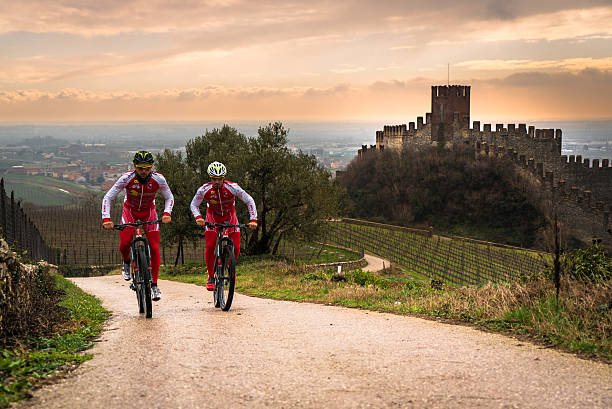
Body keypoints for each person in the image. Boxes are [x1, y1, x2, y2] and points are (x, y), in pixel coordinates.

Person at [101, 150, 174, 301]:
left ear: (151, 167)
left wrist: (167, 213)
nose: (144, 171)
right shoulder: (126, 178)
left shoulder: (158, 179)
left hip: (149, 212)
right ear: (135, 166)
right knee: (124, 243)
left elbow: (169, 197)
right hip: (130, 212)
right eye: (140, 168)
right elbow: (108, 197)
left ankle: (154, 285)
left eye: (147, 168)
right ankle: (127, 262)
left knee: (154, 247)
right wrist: (106, 218)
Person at [190, 161, 257, 290]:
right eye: (214, 179)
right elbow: (194, 204)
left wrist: (253, 219)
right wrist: (198, 217)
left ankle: (230, 268)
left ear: (223, 178)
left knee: (236, 247)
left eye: (219, 179)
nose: (217, 182)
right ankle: (210, 276)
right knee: (210, 246)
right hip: (212, 218)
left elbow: (249, 200)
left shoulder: (233, 187)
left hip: (230, 218)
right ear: (210, 178)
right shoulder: (204, 189)